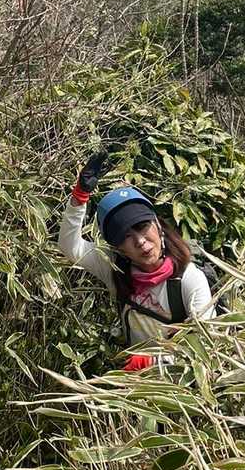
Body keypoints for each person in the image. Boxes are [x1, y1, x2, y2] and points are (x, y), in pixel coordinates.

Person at [59, 152, 214, 372]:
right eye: (125, 236)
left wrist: (149, 362)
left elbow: (206, 343)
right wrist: (80, 195)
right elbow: (70, 246)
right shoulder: (115, 268)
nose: (140, 241)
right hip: (135, 381)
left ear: (157, 225)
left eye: (142, 227)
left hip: (182, 381)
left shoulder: (189, 279)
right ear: (118, 248)